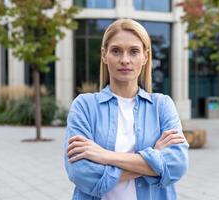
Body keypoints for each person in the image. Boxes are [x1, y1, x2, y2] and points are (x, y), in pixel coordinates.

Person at [64, 18, 189, 200]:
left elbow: (177, 165)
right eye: (116, 51)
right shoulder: (84, 106)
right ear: (104, 55)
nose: (125, 60)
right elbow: (81, 173)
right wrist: (153, 161)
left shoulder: (162, 105)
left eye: (134, 51)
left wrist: (105, 156)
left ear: (145, 56)